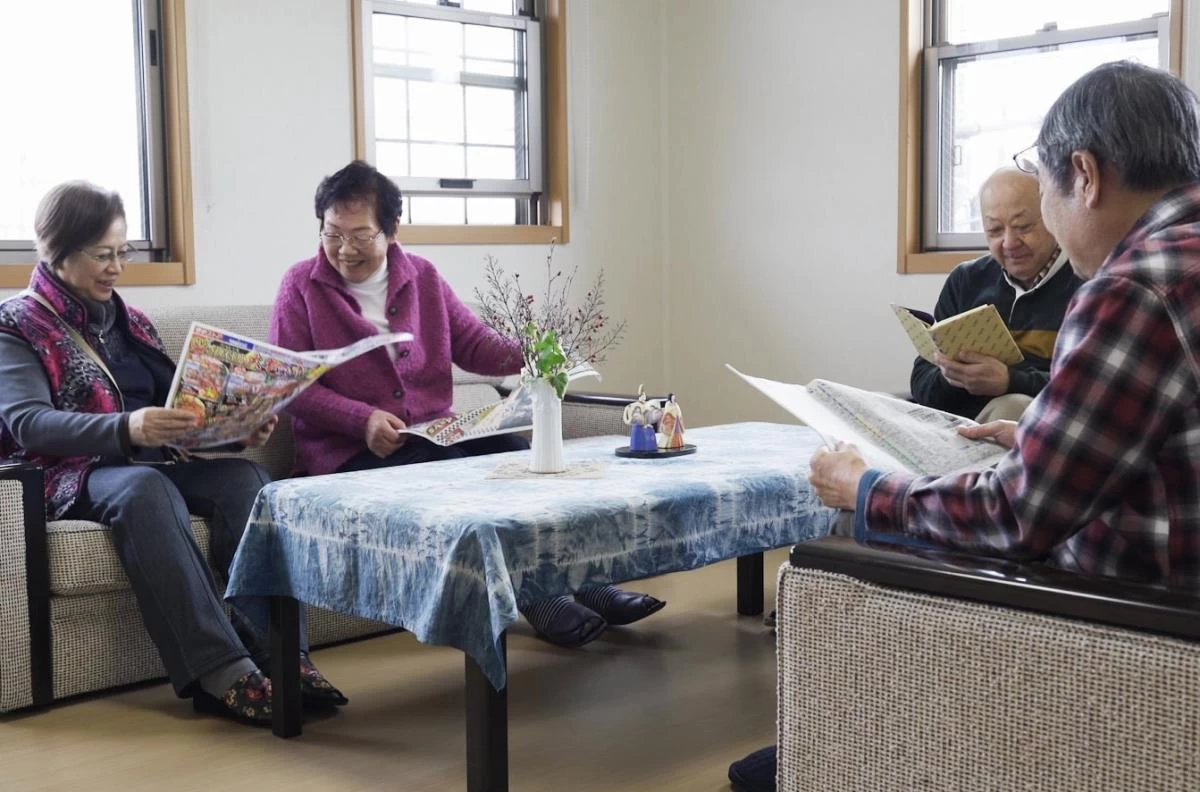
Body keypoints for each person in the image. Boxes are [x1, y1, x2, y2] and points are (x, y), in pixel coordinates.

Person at [730, 60, 1200, 792]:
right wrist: (1040, 436)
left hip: (1146, 617)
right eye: (997, 227)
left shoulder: (1133, 287)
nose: (1026, 231)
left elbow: (1016, 516)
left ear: (1085, 174)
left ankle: (840, 748)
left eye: (1039, 202)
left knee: (863, 543)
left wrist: (868, 488)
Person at [269, 160, 664, 648]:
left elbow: (477, 345)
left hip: (431, 436)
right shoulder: (300, 287)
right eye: (332, 234)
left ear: (391, 231)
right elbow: (291, 388)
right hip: (346, 454)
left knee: (518, 455)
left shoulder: (423, 277)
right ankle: (539, 599)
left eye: (360, 236)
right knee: (452, 468)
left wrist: (541, 348)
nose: (344, 249)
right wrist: (362, 419)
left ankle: (586, 581)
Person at [0, 181, 345, 727]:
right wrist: (129, 427)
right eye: (103, 255)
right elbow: (27, 423)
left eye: (123, 252)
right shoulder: (17, 323)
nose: (117, 267)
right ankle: (223, 672)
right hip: (72, 474)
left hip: (155, 460)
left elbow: (179, 408)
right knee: (145, 488)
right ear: (57, 251)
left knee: (247, 480)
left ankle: (284, 658)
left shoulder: (130, 321)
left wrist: (234, 429)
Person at [910, 167, 1082, 422]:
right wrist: (952, 376)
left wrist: (1010, 381)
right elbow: (921, 380)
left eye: (1023, 227)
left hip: (1035, 430)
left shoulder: (1084, 280)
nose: (1009, 243)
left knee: (1013, 407)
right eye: (995, 231)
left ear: (1052, 215)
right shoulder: (966, 280)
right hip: (957, 424)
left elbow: (1088, 390)